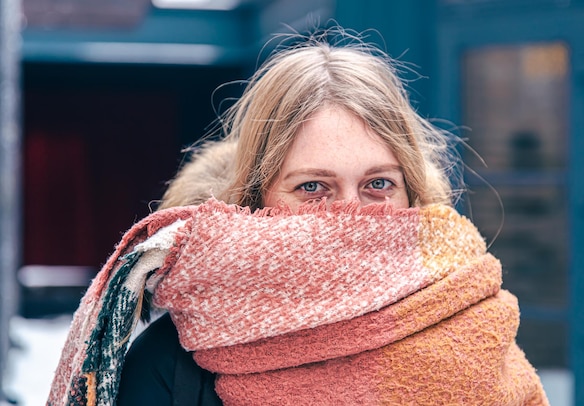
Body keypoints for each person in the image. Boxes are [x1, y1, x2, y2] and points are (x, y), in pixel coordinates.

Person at [47, 27, 549, 405]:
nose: (351, 216)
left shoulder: (470, 315)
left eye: (378, 184)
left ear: (412, 192)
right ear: (256, 198)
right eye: (313, 187)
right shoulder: (173, 365)